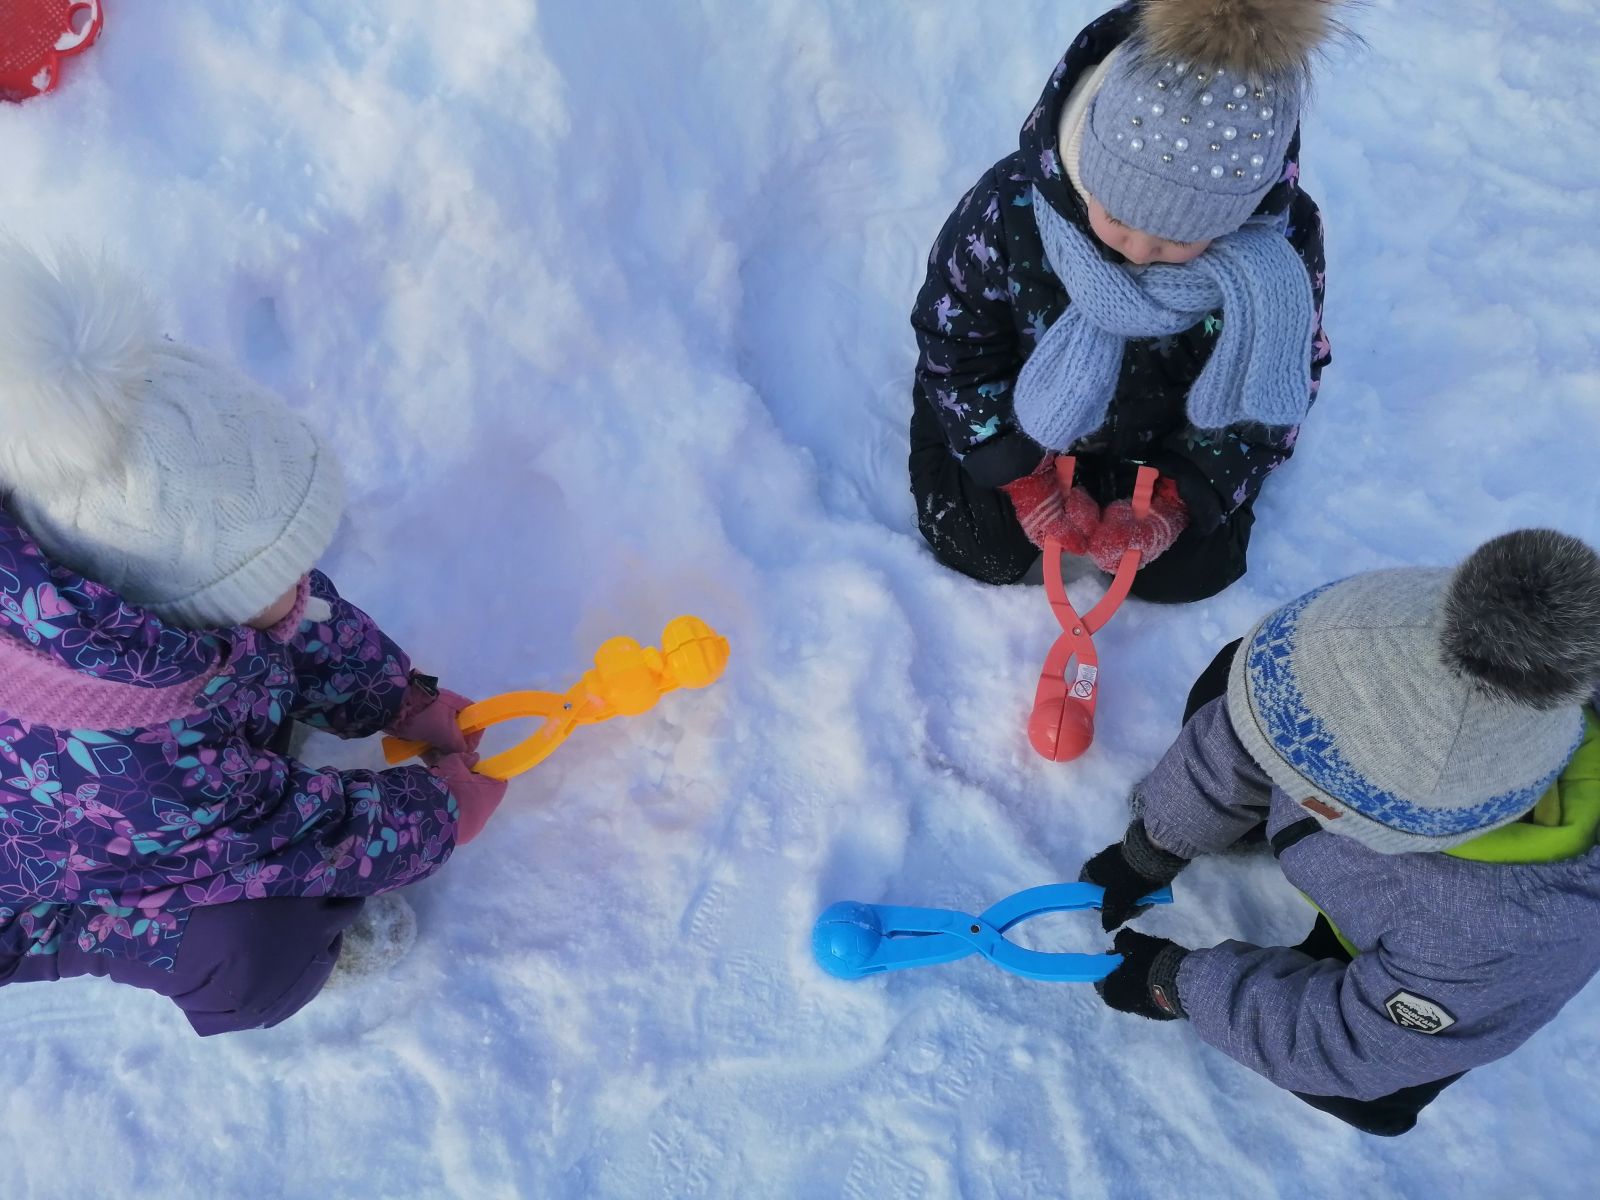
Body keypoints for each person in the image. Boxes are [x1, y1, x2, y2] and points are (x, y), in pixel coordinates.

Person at [0, 241, 506, 1034]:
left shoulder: (89, 538)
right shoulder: (132, 765)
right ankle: (135, 932)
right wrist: (438, 812)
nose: (301, 582)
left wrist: (400, 699)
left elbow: (293, 616)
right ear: (162, 604)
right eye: (270, 576)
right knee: (251, 951)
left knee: (263, 638)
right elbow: (274, 834)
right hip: (31, 880)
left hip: (132, 781)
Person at [1082, 529, 1600, 1135]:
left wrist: (1180, 984)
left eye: (1300, 781)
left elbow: (1350, 1043)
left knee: (1373, 1089)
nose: (1270, 757)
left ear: (1365, 821)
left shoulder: (1500, 936)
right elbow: (1251, 728)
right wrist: (1155, 845)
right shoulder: (1412, 636)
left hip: (1420, 955)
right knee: (1240, 683)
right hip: (1374, 821)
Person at [908, 0, 1337, 600]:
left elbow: (1275, 390)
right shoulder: (1011, 207)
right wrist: (1018, 472)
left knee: (1186, 573)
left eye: (1179, 239)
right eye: (1117, 217)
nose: (1138, 250)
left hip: (1157, 437)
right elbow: (954, 341)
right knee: (976, 543)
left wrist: (1178, 495)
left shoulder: (1276, 260)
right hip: (1022, 413)